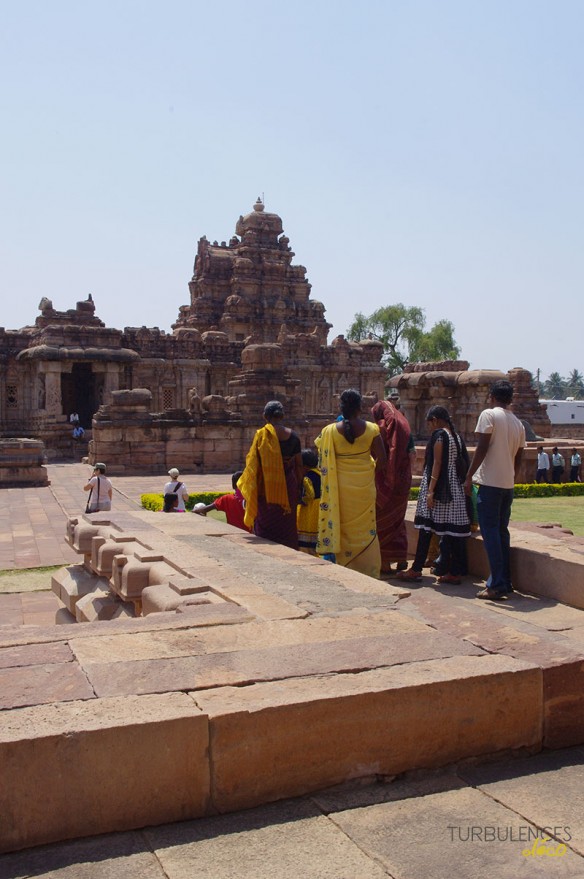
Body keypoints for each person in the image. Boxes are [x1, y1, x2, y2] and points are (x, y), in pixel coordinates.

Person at [314, 389, 386, 578]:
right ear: (360, 407)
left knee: (342, 525)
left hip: (340, 490)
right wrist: (369, 472)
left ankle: (345, 569)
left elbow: (321, 460)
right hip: (364, 487)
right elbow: (383, 460)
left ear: (341, 407)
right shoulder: (371, 429)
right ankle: (369, 569)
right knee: (366, 529)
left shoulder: (329, 431)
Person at [464, 380, 525, 601]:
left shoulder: (489, 415)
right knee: (501, 532)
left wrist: (469, 475)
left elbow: (481, 447)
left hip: (490, 484)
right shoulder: (518, 423)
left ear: (492, 396)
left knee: (490, 534)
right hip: (507, 485)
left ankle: (496, 584)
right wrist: (511, 477)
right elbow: (519, 457)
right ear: (510, 399)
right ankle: (504, 581)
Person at [396, 405, 470, 585]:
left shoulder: (440, 436)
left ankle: (416, 569)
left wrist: (430, 491)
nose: (429, 427)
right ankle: (454, 571)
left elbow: (437, 464)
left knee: (425, 529)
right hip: (454, 488)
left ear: (435, 420)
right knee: (451, 532)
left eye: (429, 423)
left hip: (439, 488)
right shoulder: (456, 436)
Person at [238, 401, 303, 549]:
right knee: (287, 522)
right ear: (283, 416)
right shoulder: (293, 436)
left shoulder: (262, 435)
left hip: (266, 485)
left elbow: (253, 464)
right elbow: (299, 464)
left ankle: (265, 550)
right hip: (288, 484)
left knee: (266, 521)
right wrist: (299, 486)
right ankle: (289, 549)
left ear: (265, 416)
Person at [371, 398, 413, 574]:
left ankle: (385, 563)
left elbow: (375, 455)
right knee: (397, 520)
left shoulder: (380, 428)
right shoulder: (404, 426)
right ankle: (400, 557)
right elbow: (412, 454)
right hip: (403, 480)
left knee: (381, 521)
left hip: (384, 480)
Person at [297, 449, 321, 555]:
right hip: (321, 507)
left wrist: (301, 500)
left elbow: (309, 495)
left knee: (307, 536)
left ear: (304, 465)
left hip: (310, 509)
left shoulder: (307, 477)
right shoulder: (321, 474)